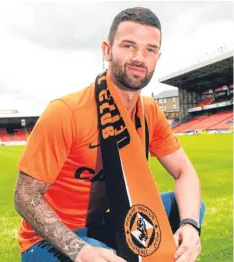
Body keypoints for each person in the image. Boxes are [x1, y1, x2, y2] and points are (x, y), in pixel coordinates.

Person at [14, 7, 205, 262]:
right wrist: (80, 251)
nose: (139, 57)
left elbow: (185, 173)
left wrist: (191, 225)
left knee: (190, 208)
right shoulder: (67, 112)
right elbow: (24, 196)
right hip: (49, 238)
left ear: (158, 57)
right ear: (107, 50)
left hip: (104, 222)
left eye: (150, 49)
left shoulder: (149, 112)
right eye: (128, 46)